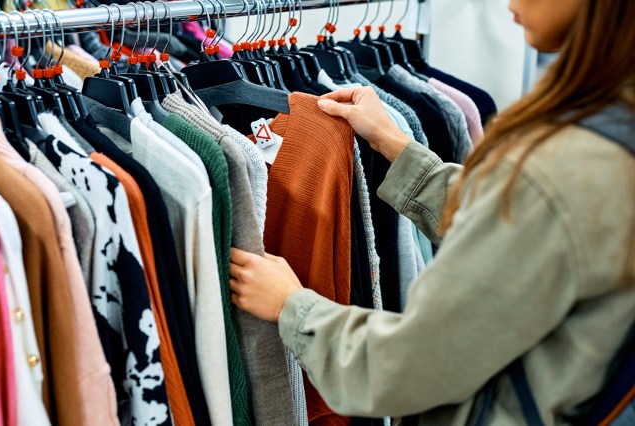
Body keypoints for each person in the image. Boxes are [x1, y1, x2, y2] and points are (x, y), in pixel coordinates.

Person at [229, 0, 635, 424]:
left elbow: (411, 366)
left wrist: (291, 307)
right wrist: (394, 144)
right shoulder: (611, 134)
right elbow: (530, 233)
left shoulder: (563, 159)